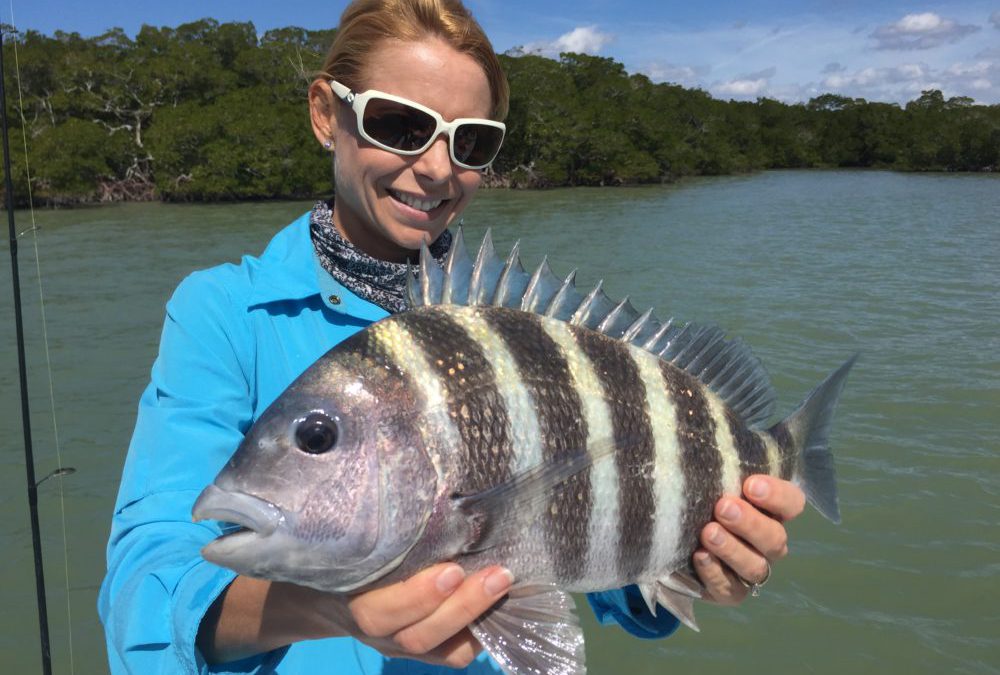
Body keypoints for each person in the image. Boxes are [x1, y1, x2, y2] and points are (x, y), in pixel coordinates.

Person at [97, 0, 807, 672]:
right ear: (324, 113)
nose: (437, 167)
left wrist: (701, 561)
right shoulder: (224, 312)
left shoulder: (512, 328)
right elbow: (145, 590)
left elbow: (587, 547)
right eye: (400, 125)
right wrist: (327, 607)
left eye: (470, 141)